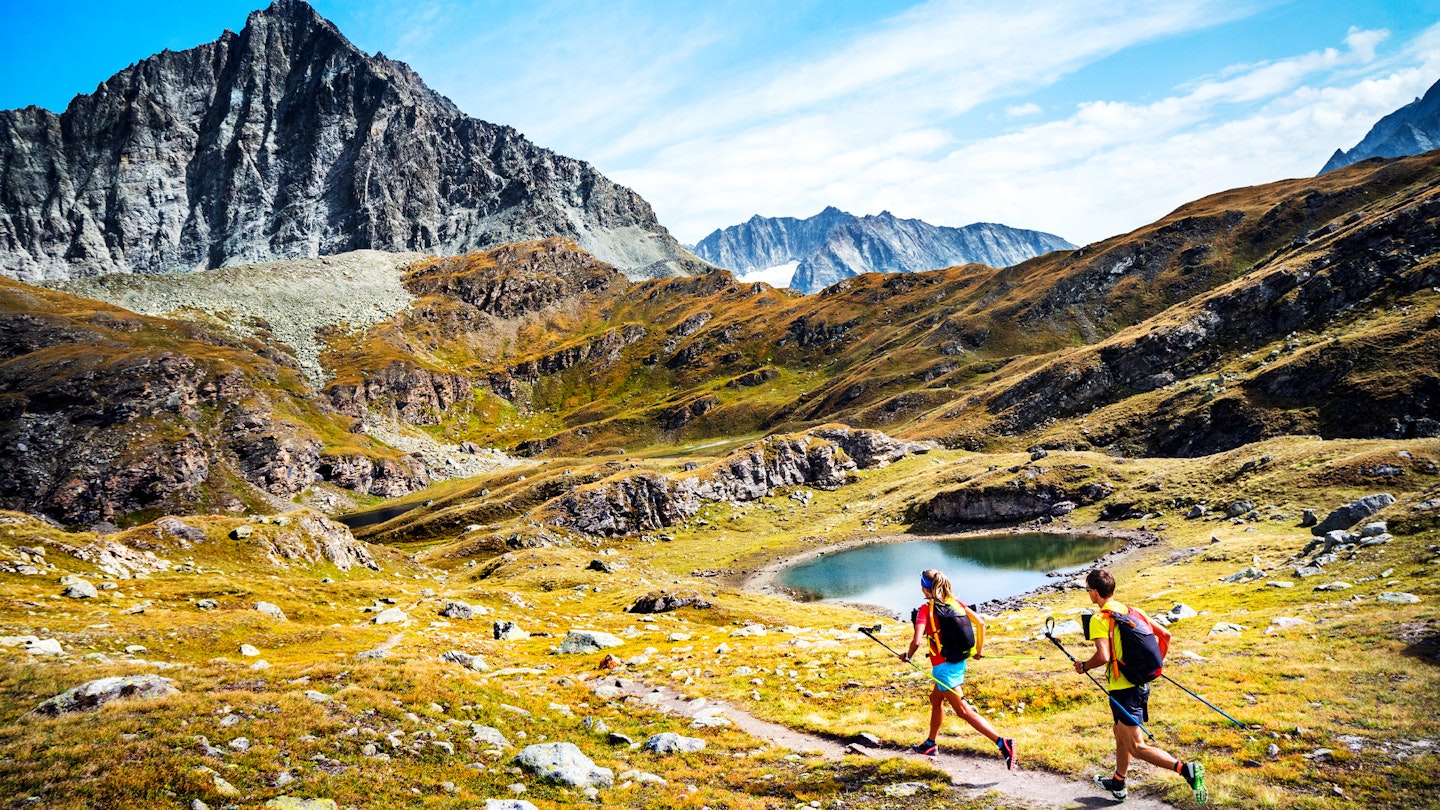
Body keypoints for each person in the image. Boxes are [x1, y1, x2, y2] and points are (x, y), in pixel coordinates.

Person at [1077, 568, 1207, 804]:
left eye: (1088, 590)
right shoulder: (1133, 611)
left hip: (1123, 690)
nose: (1088, 594)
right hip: (1139, 686)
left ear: (1095, 593)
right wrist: (1155, 666)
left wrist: (1084, 666)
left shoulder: (1099, 619)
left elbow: (1103, 656)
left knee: (1136, 746)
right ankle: (1118, 782)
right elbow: (1165, 635)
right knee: (1120, 734)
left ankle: (1186, 770)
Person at [899, 568, 1016, 769]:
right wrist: (978, 651)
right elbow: (980, 623)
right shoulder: (956, 603)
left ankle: (1002, 742)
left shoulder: (925, 610)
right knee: (936, 699)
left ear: (925, 589)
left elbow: (917, 641)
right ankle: (930, 744)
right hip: (958, 660)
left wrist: (907, 656)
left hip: (943, 667)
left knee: (963, 710)